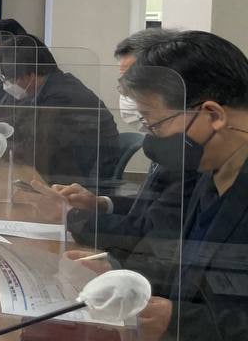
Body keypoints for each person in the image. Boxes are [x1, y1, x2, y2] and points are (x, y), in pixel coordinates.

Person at [70, 31, 248, 341]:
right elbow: (190, 267)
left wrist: (177, 320)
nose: (153, 139)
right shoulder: (211, 172)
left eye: (155, 124)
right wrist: (120, 273)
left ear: (213, 115)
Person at [53, 28, 192, 257]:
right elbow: (150, 207)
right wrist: (99, 203)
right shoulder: (163, 138)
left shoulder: (189, 148)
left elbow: (146, 232)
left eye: (133, 83)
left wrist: (71, 215)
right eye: (123, 84)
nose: (126, 94)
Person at [0, 34, 121, 186]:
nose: (7, 86)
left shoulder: (61, 96)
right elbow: (23, 127)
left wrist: (0, 149)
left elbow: (40, 150)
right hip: (69, 164)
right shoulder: (50, 87)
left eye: (11, 80)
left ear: (31, 75)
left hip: (85, 178)